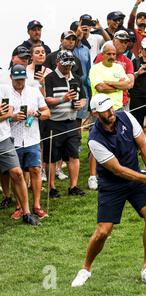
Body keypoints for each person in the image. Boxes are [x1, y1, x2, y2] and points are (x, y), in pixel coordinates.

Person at [71, 93, 146, 288]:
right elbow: (118, 170)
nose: (111, 112)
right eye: (105, 110)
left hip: (137, 178)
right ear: (96, 114)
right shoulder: (95, 140)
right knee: (103, 231)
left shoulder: (127, 117)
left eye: (111, 107)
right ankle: (85, 269)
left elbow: (144, 145)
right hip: (112, 185)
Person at [9, 64, 51, 219]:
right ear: (11, 77)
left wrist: (38, 113)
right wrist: (12, 117)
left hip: (32, 137)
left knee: (35, 170)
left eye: (22, 79)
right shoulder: (6, 92)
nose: (20, 82)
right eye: (17, 79)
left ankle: (37, 206)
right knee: (17, 174)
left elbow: (48, 112)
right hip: (14, 139)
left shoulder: (34, 92)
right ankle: (19, 206)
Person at [43, 50, 87, 198]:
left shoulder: (77, 78)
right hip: (54, 123)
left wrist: (80, 103)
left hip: (72, 122)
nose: (68, 68)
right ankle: (52, 188)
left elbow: (83, 98)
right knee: (52, 157)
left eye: (70, 65)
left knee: (74, 155)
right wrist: (64, 99)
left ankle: (73, 186)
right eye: (65, 65)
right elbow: (48, 100)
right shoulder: (50, 78)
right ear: (57, 62)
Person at [0, 70, 40, 225]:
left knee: (17, 172)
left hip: (3, 137)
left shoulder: (3, 89)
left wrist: (5, 114)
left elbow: (7, 113)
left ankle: (26, 212)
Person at [94, 31, 135, 110]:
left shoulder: (128, 61)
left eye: (126, 42)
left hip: (122, 103)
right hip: (104, 103)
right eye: (121, 41)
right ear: (113, 41)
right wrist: (121, 84)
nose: (123, 44)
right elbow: (99, 84)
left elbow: (130, 84)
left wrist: (110, 82)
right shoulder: (101, 57)